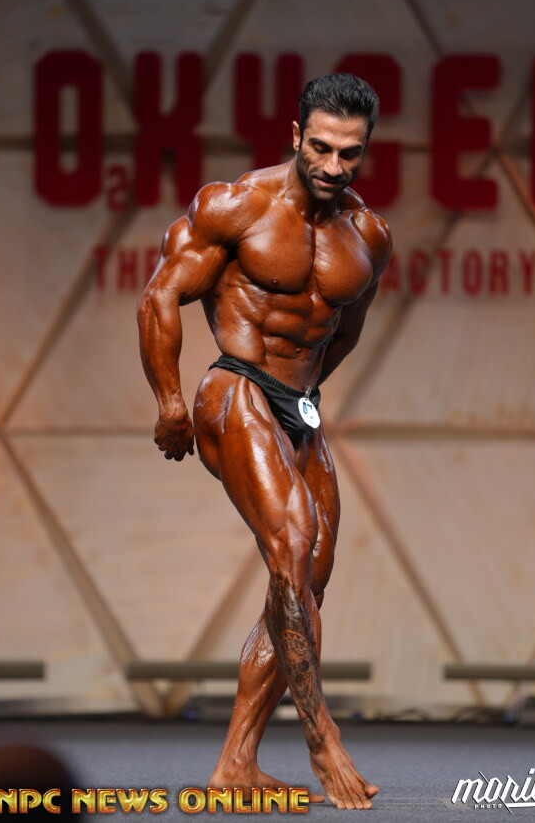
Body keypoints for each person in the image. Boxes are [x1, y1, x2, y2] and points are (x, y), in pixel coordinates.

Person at [138, 73, 392, 810]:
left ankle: (236, 764)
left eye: (350, 153)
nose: (334, 165)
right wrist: (170, 402)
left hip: (297, 406)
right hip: (235, 386)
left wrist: (302, 397)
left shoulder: (369, 237)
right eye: (322, 147)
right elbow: (160, 296)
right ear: (296, 135)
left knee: (310, 577)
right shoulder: (235, 205)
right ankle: (321, 738)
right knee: (292, 546)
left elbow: (344, 331)